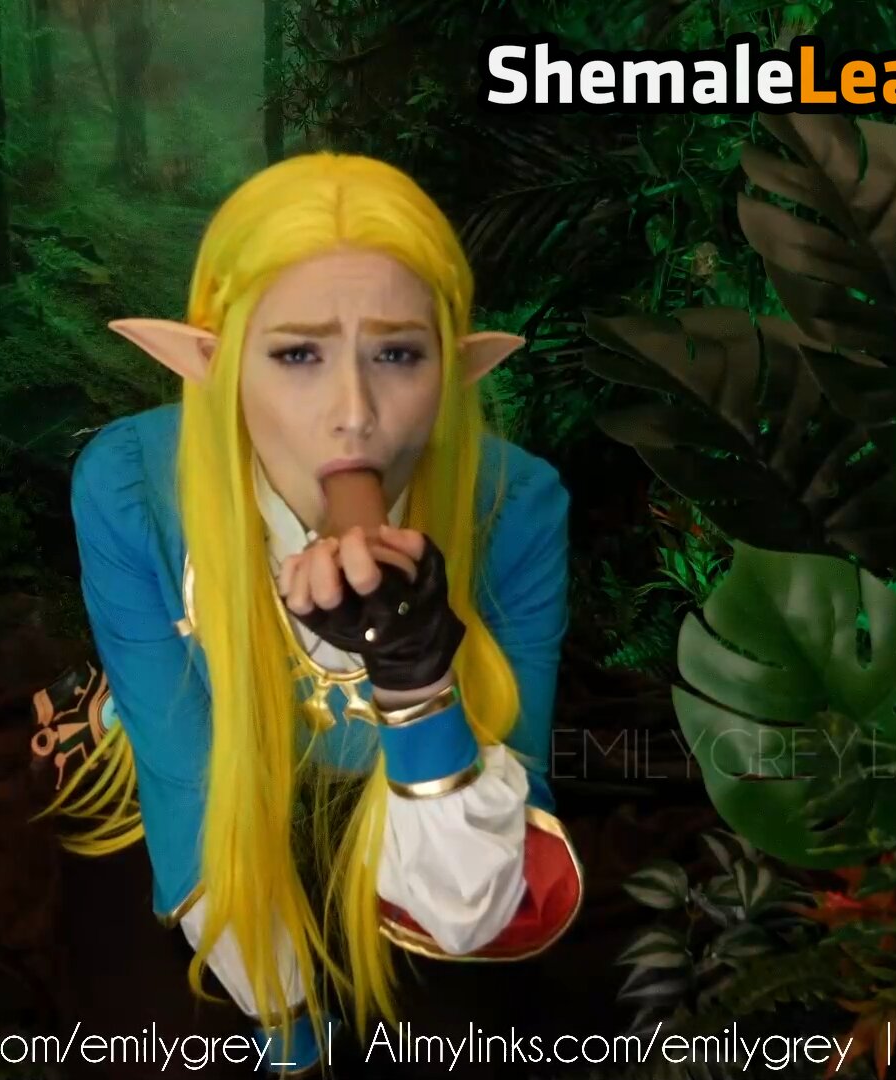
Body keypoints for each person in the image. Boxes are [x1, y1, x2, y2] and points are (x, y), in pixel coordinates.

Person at [35, 152, 582, 1076]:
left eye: (397, 354)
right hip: (215, 778)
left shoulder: (517, 509)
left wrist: (418, 685)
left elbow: (477, 903)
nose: (353, 415)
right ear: (217, 366)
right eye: (297, 355)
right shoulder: (133, 490)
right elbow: (186, 779)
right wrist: (289, 1026)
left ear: (453, 369)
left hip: (412, 807)